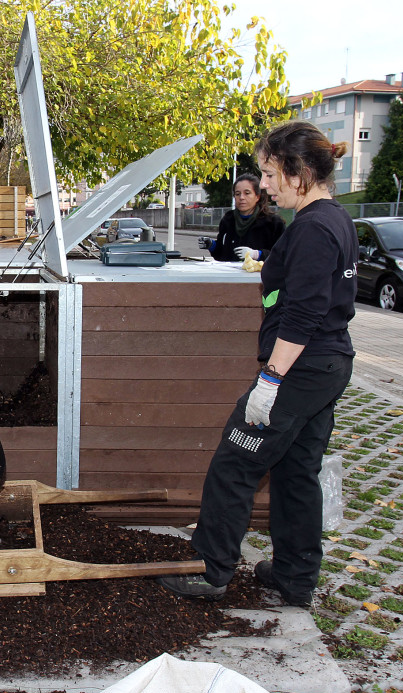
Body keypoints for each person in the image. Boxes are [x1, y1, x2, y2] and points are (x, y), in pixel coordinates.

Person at [158, 121, 357, 606]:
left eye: (269, 174)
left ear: (301, 171)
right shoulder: (333, 219)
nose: (263, 185)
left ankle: (210, 570)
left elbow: (305, 314)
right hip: (327, 366)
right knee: (294, 471)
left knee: (235, 464)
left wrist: (270, 380)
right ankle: (294, 576)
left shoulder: (313, 230)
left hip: (299, 369)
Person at [197, 173, 286, 262]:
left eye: (247, 193)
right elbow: (222, 255)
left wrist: (257, 254)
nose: (241, 197)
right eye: (237, 194)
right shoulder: (228, 220)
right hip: (231, 274)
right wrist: (212, 245)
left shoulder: (273, 223)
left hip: (259, 275)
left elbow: (283, 255)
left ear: (257, 196)